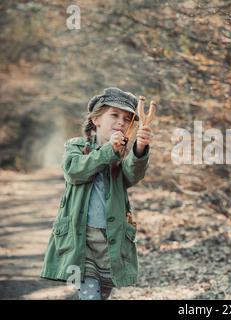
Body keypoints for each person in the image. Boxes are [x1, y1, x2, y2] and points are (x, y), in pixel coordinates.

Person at [40, 87, 153, 300]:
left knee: (101, 295)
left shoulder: (122, 155)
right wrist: (108, 150)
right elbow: (75, 171)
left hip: (111, 238)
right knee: (90, 294)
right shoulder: (77, 146)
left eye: (127, 119)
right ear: (96, 119)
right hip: (81, 238)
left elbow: (132, 175)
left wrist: (139, 147)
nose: (121, 121)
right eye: (114, 115)